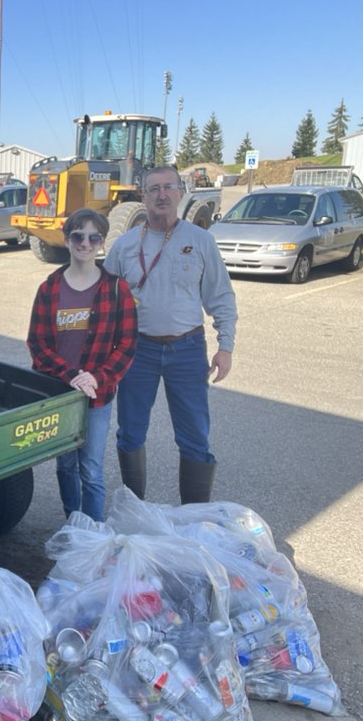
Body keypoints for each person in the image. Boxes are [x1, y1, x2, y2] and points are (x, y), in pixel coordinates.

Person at [103, 166, 238, 504]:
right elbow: (103, 300)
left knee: (194, 437)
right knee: (130, 433)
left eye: (168, 187)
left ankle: (194, 517)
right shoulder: (124, 245)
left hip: (188, 348)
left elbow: (220, 295)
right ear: (142, 196)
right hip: (137, 350)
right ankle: (135, 509)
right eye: (153, 189)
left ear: (181, 192)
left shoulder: (200, 240)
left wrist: (226, 346)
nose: (161, 195)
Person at [27, 208, 137, 521]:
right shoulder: (49, 289)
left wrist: (97, 379)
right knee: (65, 466)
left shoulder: (116, 290)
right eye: (78, 236)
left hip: (97, 397)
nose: (85, 243)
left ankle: (93, 533)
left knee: (91, 469)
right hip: (60, 395)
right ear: (67, 239)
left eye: (93, 237)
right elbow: (37, 345)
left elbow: (127, 344)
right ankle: (73, 524)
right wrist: (72, 375)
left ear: (101, 242)